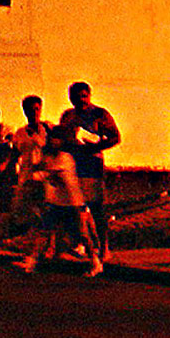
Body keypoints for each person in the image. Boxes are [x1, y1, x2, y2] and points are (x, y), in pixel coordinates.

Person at [19, 123, 102, 277]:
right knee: (43, 232)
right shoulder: (49, 157)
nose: (54, 141)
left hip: (74, 203)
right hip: (57, 203)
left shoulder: (65, 158)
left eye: (58, 139)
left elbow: (46, 171)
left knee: (83, 235)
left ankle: (96, 263)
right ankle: (31, 262)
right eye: (53, 138)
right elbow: (39, 167)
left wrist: (37, 171)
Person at [59, 81, 119, 260]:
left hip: (92, 166)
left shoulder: (100, 114)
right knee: (76, 208)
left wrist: (95, 145)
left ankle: (104, 247)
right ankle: (81, 244)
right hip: (72, 166)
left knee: (96, 208)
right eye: (76, 97)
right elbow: (62, 135)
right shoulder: (68, 116)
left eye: (84, 96)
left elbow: (115, 137)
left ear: (89, 96)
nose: (81, 101)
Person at [7, 96, 50, 239]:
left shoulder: (48, 129)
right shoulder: (20, 133)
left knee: (46, 209)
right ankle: (24, 238)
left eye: (37, 109)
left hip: (46, 176)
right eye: (30, 109)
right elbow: (14, 154)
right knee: (23, 209)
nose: (34, 112)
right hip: (26, 176)